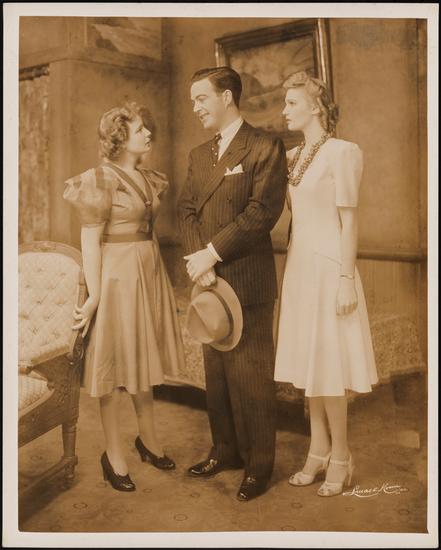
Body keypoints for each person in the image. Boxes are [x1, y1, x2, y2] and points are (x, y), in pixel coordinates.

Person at [178, 66, 288, 501]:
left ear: (226, 97)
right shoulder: (198, 155)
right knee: (218, 376)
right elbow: (187, 210)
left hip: (247, 280)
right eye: (192, 100)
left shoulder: (264, 146)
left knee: (252, 379)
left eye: (201, 98)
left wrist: (213, 252)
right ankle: (224, 451)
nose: (195, 107)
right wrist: (198, 261)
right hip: (208, 282)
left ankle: (258, 467)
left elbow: (263, 212)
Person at [63, 102, 186, 492]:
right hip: (116, 279)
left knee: (141, 359)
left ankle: (148, 441)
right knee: (113, 368)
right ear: (119, 138)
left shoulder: (150, 178)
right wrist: (95, 296)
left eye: (146, 128)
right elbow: (90, 241)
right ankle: (113, 454)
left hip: (148, 273)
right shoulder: (98, 180)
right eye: (139, 129)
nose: (148, 134)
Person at [274, 71, 378, 497]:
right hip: (300, 269)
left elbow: (349, 223)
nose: (284, 111)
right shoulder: (292, 157)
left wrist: (345, 280)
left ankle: (341, 455)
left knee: (330, 368)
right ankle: (317, 450)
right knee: (310, 367)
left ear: (316, 107)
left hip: (330, 267)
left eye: (291, 103)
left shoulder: (342, 153)